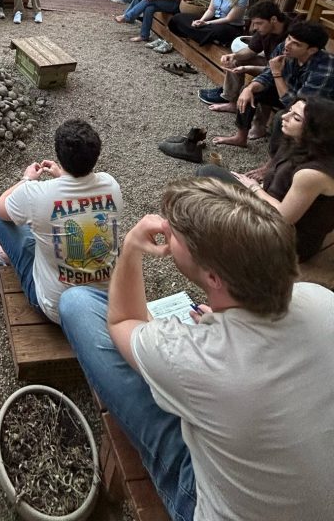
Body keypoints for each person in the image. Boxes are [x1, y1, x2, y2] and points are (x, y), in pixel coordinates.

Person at [58, 175, 334, 521]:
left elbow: (123, 321)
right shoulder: (322, 299)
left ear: (214, 278)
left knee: (78, 305)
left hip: (210, 506)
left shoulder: (193, 357)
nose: (167, 230)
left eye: (176, 235)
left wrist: (130, 248)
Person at [0, 119, 122, 323]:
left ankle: (11, 257)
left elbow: (0, 208)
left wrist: (27, 180)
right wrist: (62, 176)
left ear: (59, 155)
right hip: (105, 301)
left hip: (55, 310)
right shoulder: (111, 185)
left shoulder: (36, 194)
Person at [198, 97, 334, 262]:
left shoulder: (313, 173)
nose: (284, 116)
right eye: (290, 111)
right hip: (267, 208)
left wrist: (254, 188)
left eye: (296, 118)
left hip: (287, 242)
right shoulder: (297, 141)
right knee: (210, 177)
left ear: (315, 130)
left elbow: (284, 218)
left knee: (208, 176)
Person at [214, 20, 334, 148]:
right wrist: (250, 88)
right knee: (249, 91)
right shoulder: (284, 48)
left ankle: (275, 158)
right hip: (290, 93)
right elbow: (267, 75)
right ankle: (240, 138)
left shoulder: (325, 70)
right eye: (289, 38)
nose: (288, 45)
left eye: (296, 44)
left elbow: (296, 104)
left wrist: (277, 72)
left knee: (280, 117)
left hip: (317, 111)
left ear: (312, 50)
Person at [198, 0, 293, 110]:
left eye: (259, 23)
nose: (255, 27)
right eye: (254, 23)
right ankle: (230, 99)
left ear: (273, 19)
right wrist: (233, 56)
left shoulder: (292, 35)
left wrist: (247, 68)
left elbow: (280, 70)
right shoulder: (265, 29)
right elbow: (250, 50)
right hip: (270, 65)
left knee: (252, 86)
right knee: (235, 61)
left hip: (285, 74)